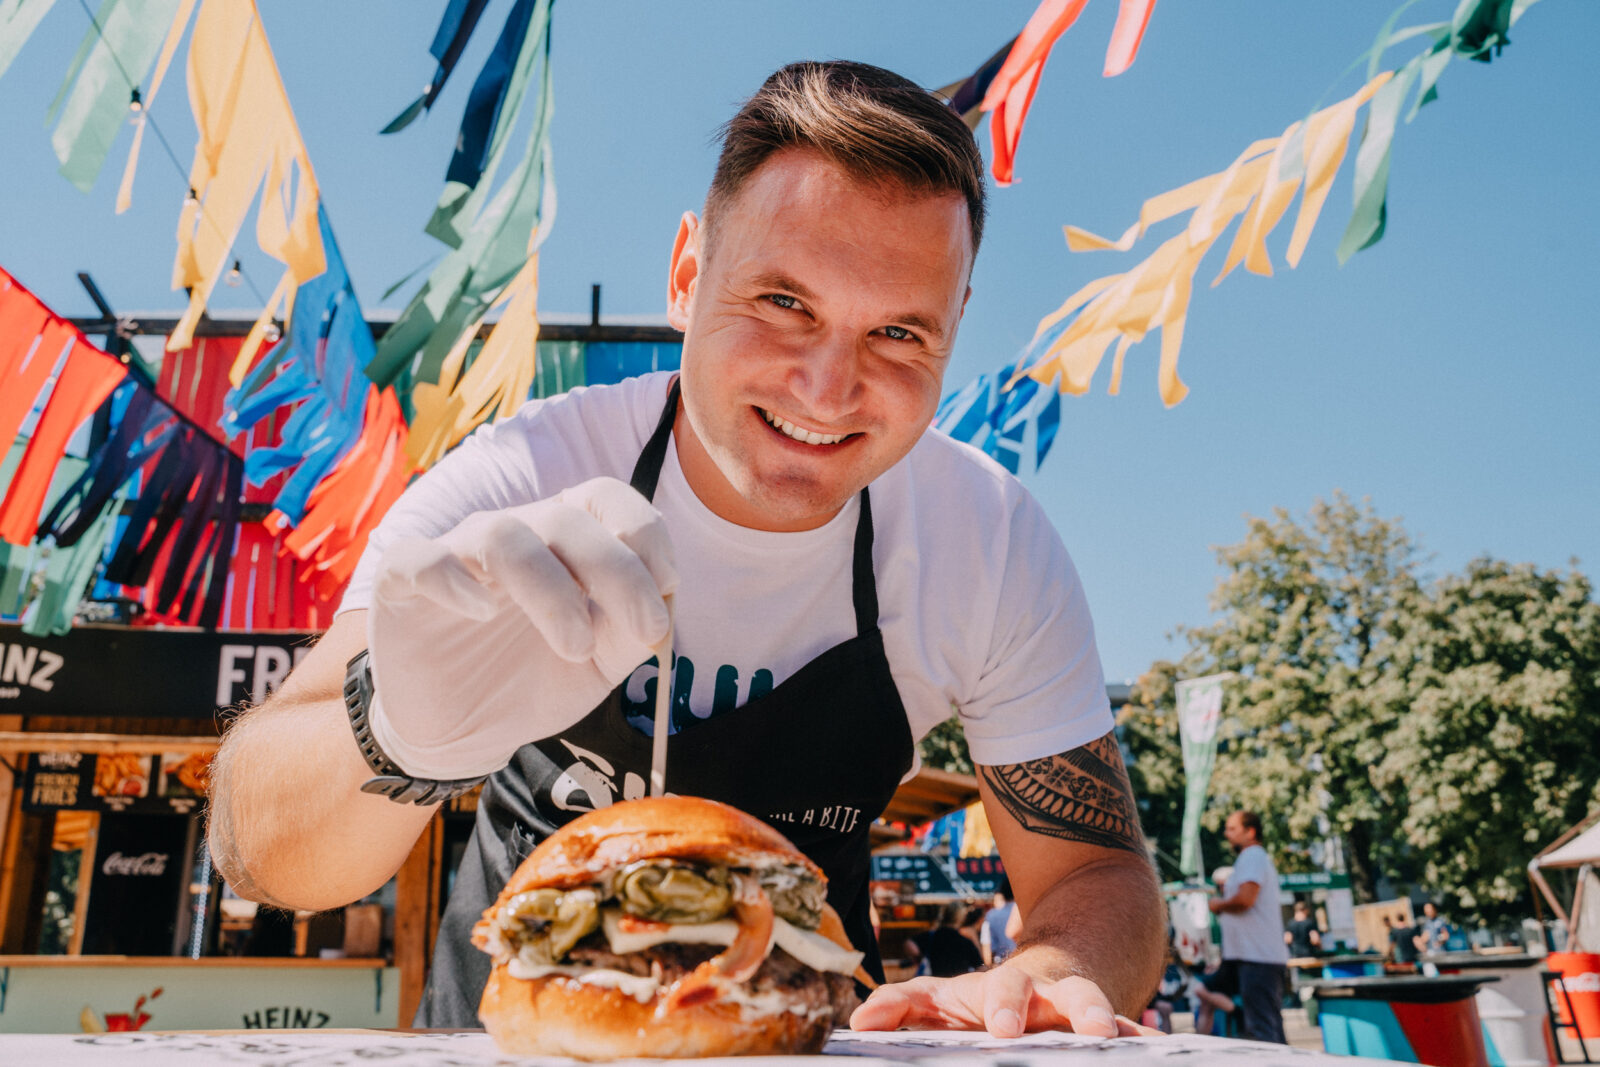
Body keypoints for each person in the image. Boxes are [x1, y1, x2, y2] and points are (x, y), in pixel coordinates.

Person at [204, 59, 1164, 1037]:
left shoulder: (988, 540)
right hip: (516, 1039)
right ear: (685, 274)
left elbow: (1098, 871)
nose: (827, 388)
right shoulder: (519, 478)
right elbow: (257, 851)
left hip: (817, 1035)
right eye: (784, 303)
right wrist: (391, 729)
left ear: (953, 331)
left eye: (897, 333)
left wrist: (1047, 968)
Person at [1198, 811, 1289, 1044]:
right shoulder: (1250, 859)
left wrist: (1218, 905)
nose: (1226, 834)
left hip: (1257, 957)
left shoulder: (1253, 856)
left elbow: (1245, 899)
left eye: (1232, 829)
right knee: (1265, 1026)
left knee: (1263, 1032)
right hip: (1249, 956)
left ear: (1251, 831)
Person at [910, 902, 986, 978]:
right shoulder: (964, 941)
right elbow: (981, 967)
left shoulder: (932, 936)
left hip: (935, 983)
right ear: (960, 917)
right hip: (957, 984)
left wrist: (919, 959)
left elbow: (909, 944)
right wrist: (974, 938)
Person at [980, 878, 1018, 965]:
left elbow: (987, 947)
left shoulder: (991, 916)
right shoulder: (1023, 911)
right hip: (1024, 963)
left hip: (1001, 964)